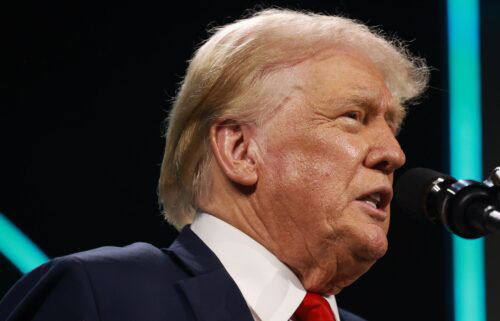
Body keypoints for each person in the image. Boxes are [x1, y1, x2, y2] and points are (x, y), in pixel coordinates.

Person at [0, 8, 428, 321]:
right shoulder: (103, 298)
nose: (393, 153)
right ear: (240, 150)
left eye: (392, 126)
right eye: (353, 117)